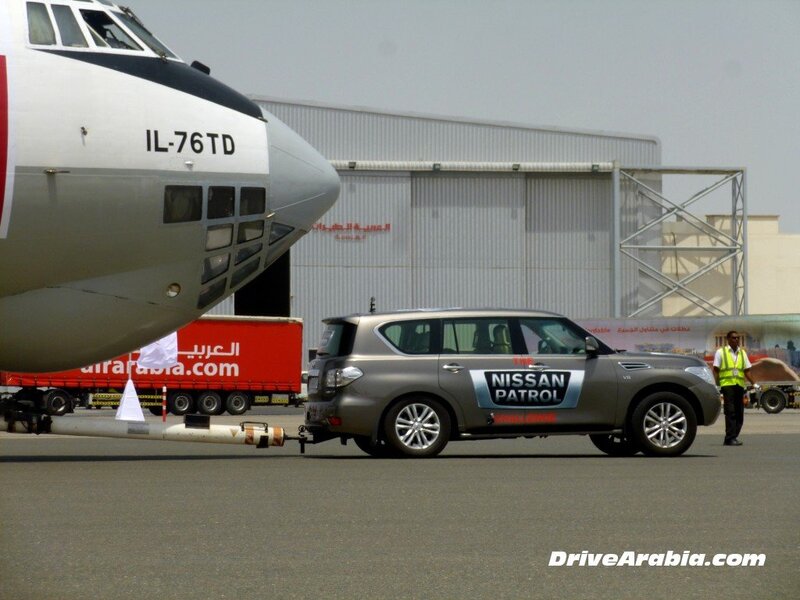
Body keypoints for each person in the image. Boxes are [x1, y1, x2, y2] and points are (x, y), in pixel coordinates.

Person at [712, 331, 756, 446]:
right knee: (730, 412)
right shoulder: (721, 352)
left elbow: (747, 370)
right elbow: (716, 369)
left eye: (737, 338)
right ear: (728, 339)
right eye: (733, 338)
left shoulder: (742, 353)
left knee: (739, 413)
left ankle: (733, 436)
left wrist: (754, 383)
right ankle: (730, 437)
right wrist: (715, 385)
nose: (736, 340)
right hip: (727, 385)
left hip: (739, 386)